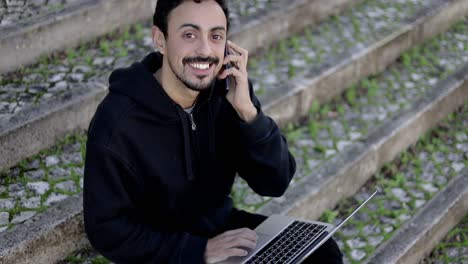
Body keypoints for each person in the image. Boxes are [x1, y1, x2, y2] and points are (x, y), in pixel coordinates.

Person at [83, 0, 343, 263]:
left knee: (322, 253)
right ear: (160, 40)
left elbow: (275, 182)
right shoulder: (117, 122)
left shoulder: (226, 93)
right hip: (164, 250)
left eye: (216, 36)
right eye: (189, 35)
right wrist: (200, 251)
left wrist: (248, 113)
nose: (205, 50)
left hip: (221, 228)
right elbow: (107, 230)